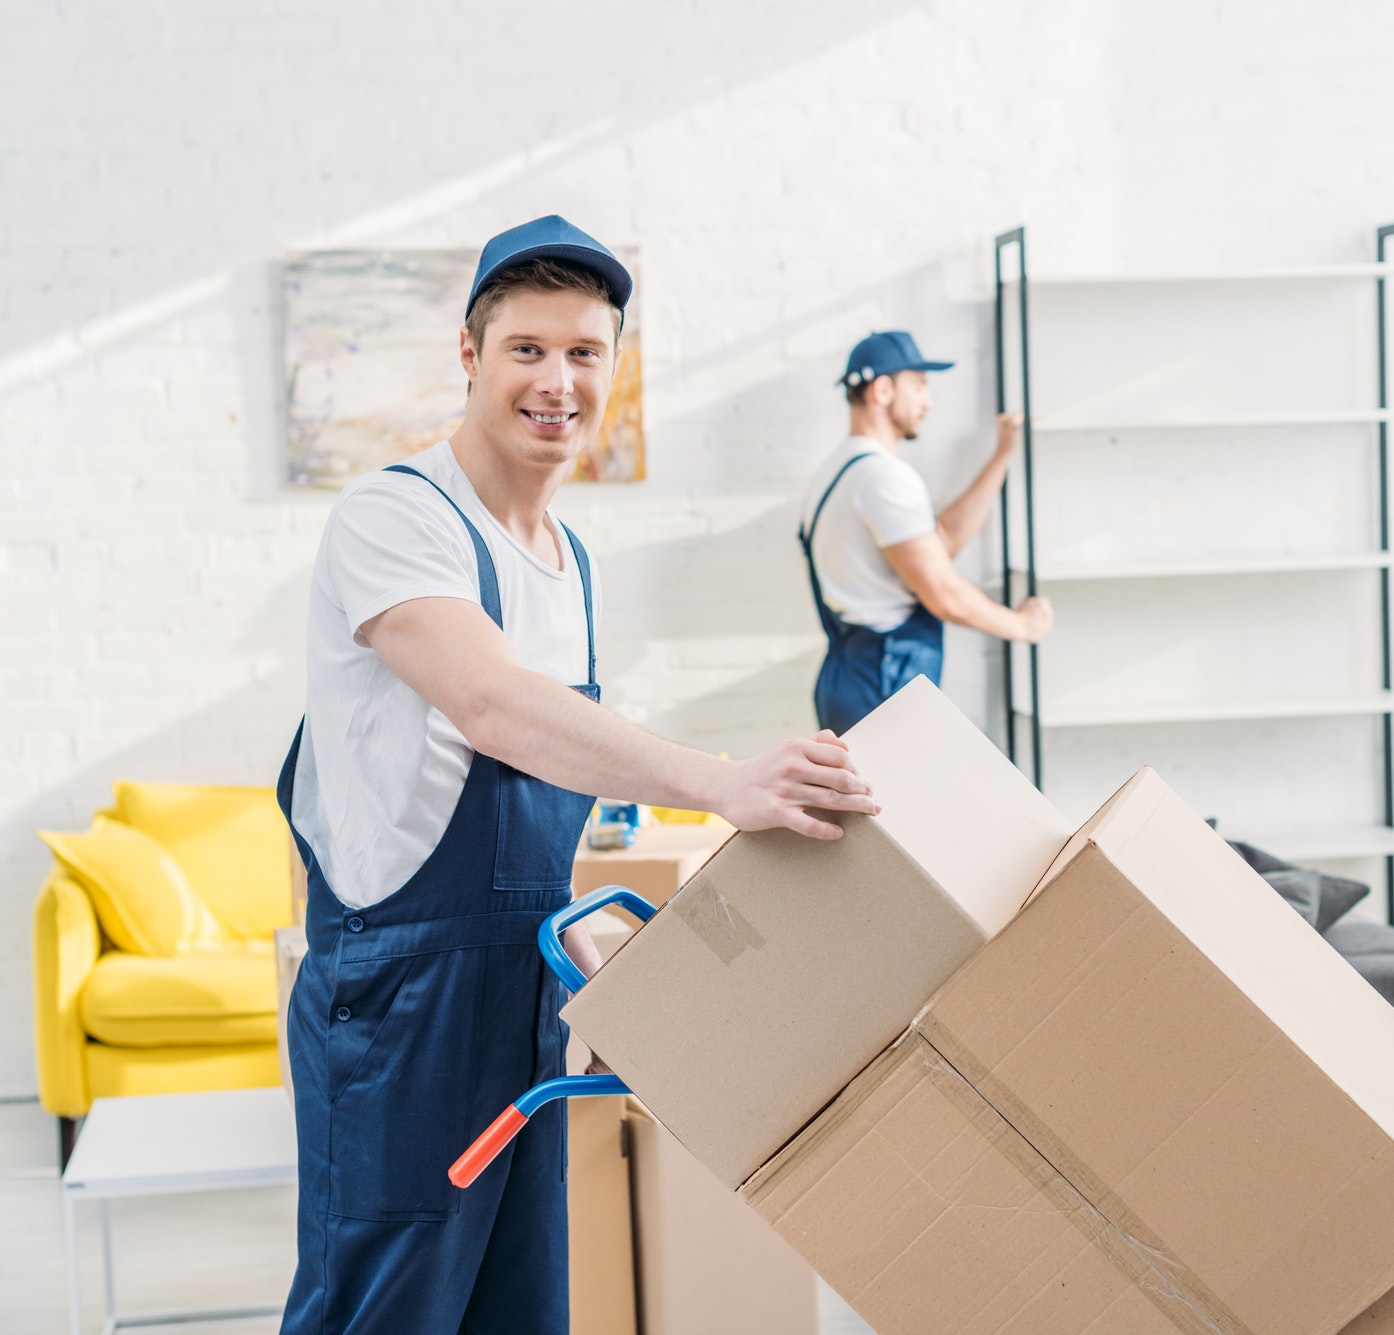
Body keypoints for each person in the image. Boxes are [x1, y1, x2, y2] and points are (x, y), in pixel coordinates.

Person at [274, 216, 877, 1335]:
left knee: (520, 1310)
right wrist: (724, 781)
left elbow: (542, 772)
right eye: (526, 349)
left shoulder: (565, 560)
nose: (557, 381)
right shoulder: (395, 518)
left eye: (585, 353)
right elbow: (492, 707)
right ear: (470, 358)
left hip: (521, 993)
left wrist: (567, 940)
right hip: (401, 1004)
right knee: (387, 1314)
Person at [798, 331, 1054, 733]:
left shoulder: (839, 470)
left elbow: (941, 540)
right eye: (919, 386)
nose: (927, 402)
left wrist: (1003, 454)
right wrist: (1021, 626)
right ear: (883, 390)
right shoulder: (883, 477)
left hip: (850, 675)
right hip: (884, 681)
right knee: (898, 797)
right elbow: (943, 593)